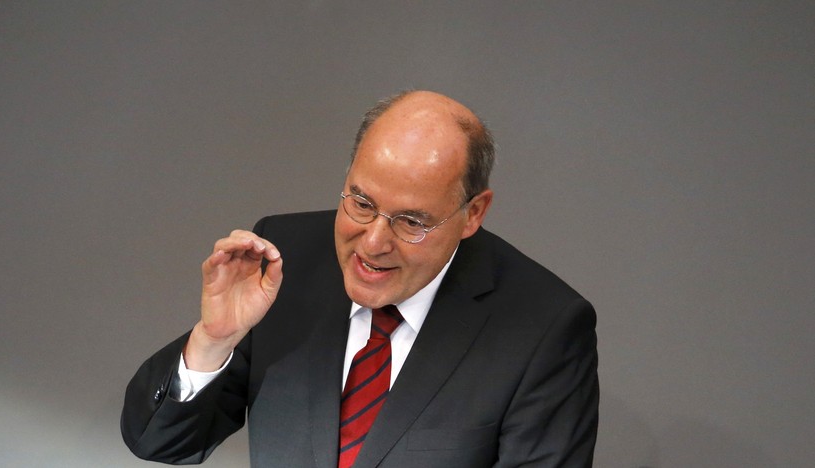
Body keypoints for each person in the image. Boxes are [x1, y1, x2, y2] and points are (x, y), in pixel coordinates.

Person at [121, 90, 599, 467]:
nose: (372, 243)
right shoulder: (285, 259)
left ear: (473, 213)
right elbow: (161, 443)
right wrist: (213, 341)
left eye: (411, 222)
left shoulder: (544, 327)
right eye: (361, 203)